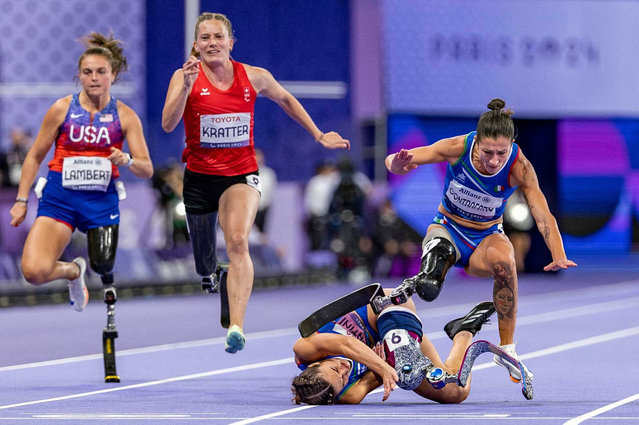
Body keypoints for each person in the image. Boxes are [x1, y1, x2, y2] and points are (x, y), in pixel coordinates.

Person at [161, 12, 350, 354]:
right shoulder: (185, 76)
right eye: (204, 38)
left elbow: (286, 100)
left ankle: (236, 325)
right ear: (195, 45)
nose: (211, 44)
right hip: (200, 177)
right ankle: (212, 274)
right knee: (204, 261)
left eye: (218, 37)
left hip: (240, 173)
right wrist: (186, 87)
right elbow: (168, 124)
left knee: (236, 240)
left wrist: (319, 134)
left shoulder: (254, 77)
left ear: (230, 43)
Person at [384, 98, 577, 382]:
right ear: (477, 143)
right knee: (428, 289)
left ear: (512, 144)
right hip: (447, 229)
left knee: (506, 262)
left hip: (485, 237)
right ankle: (424, 277)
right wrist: (397, 164)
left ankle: (508, 349)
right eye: (488, 152)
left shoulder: (519, 166)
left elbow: (543, 214)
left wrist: (557, 253)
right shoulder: (456, 147)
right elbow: (398, 162)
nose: (494, 160)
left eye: (502, 152)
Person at [9, 32, 153, 312]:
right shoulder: (62, 109)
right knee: (34, 271)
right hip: (60, 200)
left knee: (102, 265)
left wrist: (126, 159)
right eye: (87, 72)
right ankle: (74, 271)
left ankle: (89, 269)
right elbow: (35, 155)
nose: (94, 78)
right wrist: (22, 200)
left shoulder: (126, 116)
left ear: (113, 75)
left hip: (100, 203)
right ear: (79, 76)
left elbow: (146, 169)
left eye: (101, 72)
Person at [291, 288, 496, 404]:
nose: (345, 371)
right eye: (343, 380)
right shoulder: (350, 395)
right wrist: (383, 365)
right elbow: (382, 376)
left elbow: (346, 344)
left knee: (399, 355)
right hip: (395, 346)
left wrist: (382, 366)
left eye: (335, 369)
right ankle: (464, 331)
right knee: (454, 392)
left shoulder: (304, 350)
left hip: (387, 307)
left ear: (313, 365)